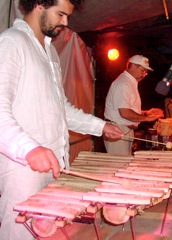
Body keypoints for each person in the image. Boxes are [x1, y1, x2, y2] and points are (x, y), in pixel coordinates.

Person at [0, 1, 123, 239]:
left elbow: (61, 110)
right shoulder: (11, 43)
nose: (65, 22)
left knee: (46, 233)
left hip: (54, 166)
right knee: (20, 234)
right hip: (22, 170)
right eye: (61, 14)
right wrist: (29, 149)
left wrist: (101, 126)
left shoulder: (49, 51)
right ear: (39, 5)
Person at [104, 55, 164, 155]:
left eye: (146, 72)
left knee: (124, 164)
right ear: (133, 66)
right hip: (117, 129)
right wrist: (146, 119)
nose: (144, 74)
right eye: (143, 70)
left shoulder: (129, 82)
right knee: (119, 166)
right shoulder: (123, 83)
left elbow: (128, 108)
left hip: (123, 129)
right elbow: (125, 113)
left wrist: (146, 113)